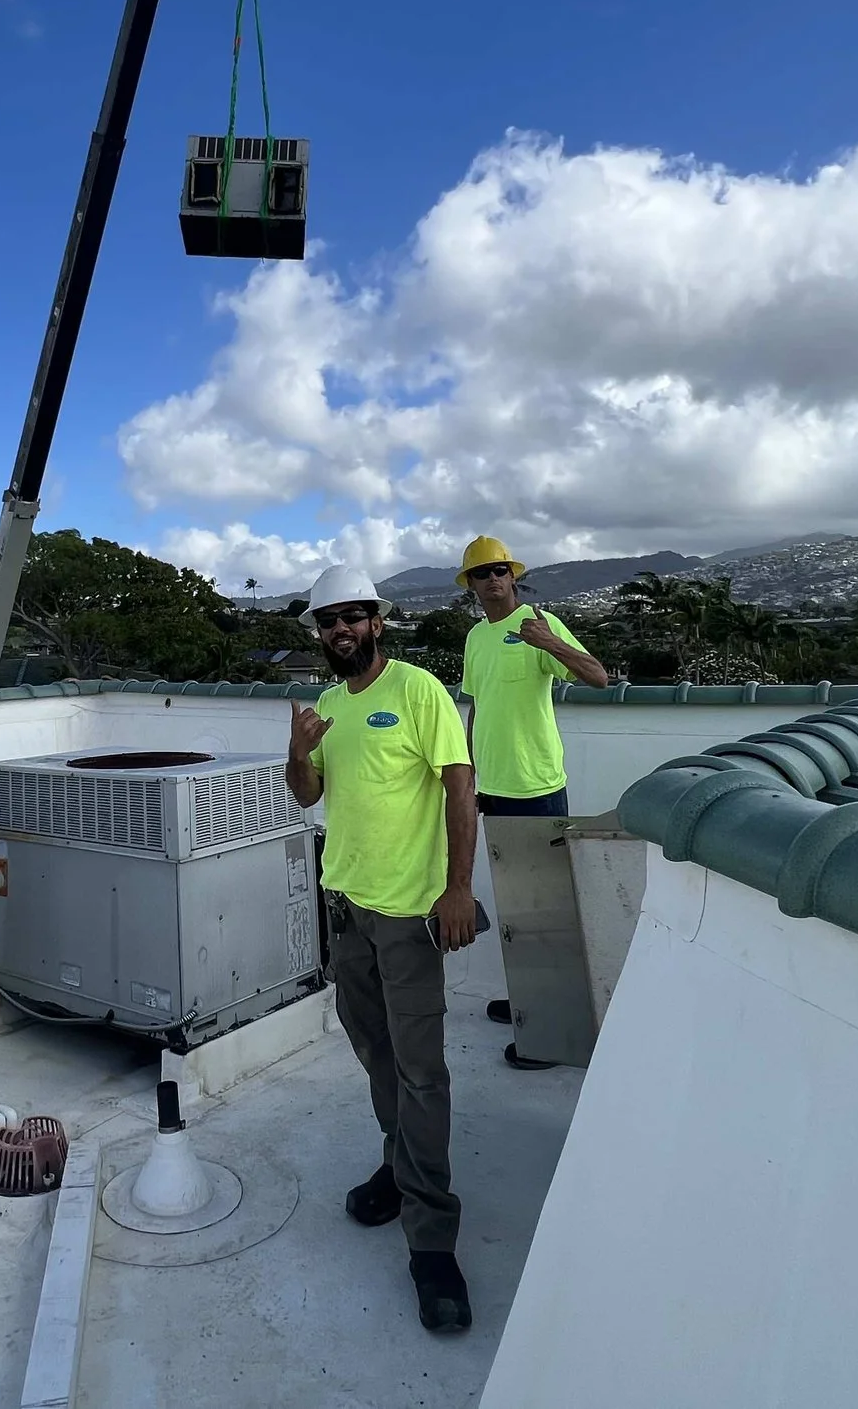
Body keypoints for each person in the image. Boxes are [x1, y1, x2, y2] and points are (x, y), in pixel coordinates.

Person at [284, 564, 480, 1335]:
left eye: (352, 617)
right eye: (327, 620)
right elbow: (306, 794)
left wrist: (457, 888)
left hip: (407, 916)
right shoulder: (328, 705)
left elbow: (460, 788)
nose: (340, 630)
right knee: (378, 1058)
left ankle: (432, 1239)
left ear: (378, 621)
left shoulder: (420, 691)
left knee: (422, 1071)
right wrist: (298, 748)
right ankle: (401, 1171)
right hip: (347, 911)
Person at [457, 537, 607, 1066]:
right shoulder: (477, 637)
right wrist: (471, 776)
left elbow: (597, 677)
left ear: (513, 576)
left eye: (501, 570)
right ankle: (530, 1001)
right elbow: (478, 707)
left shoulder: (539, 622)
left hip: (539, 789)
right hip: (494, 790)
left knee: (549, 911)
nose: (494, 579)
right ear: (471, 585)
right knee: (518, 906)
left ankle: (552, 1033)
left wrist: (547, 642)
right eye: (483, 573)